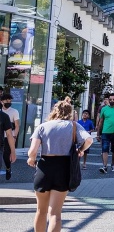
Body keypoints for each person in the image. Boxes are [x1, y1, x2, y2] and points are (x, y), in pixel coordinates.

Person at [27, 97, 92, 232]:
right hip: (64, 168)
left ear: (54, 111)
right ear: (70, 112)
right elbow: (89, 140)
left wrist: (31, 159)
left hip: (44, 166)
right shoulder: (74, 125)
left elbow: (32, 151)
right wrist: (80, 150)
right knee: (55, 213)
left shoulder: (43, 126)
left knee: (40, 210)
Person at [2, 93, 19, 179]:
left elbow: (17, 126)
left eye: (10, 100)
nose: (9, 102)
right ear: (1, 101)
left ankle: (8, 168)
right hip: (1, 136)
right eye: (7, 100)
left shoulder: (14, 112)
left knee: (6, 155)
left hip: (9, 137)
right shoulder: (1, 112)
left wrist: (14, 137)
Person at [1, 107, 15, 180]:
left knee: (6, 157)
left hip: (1, 145)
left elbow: (9, 135)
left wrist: (13, 152)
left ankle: (8, 169)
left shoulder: (4, 116)